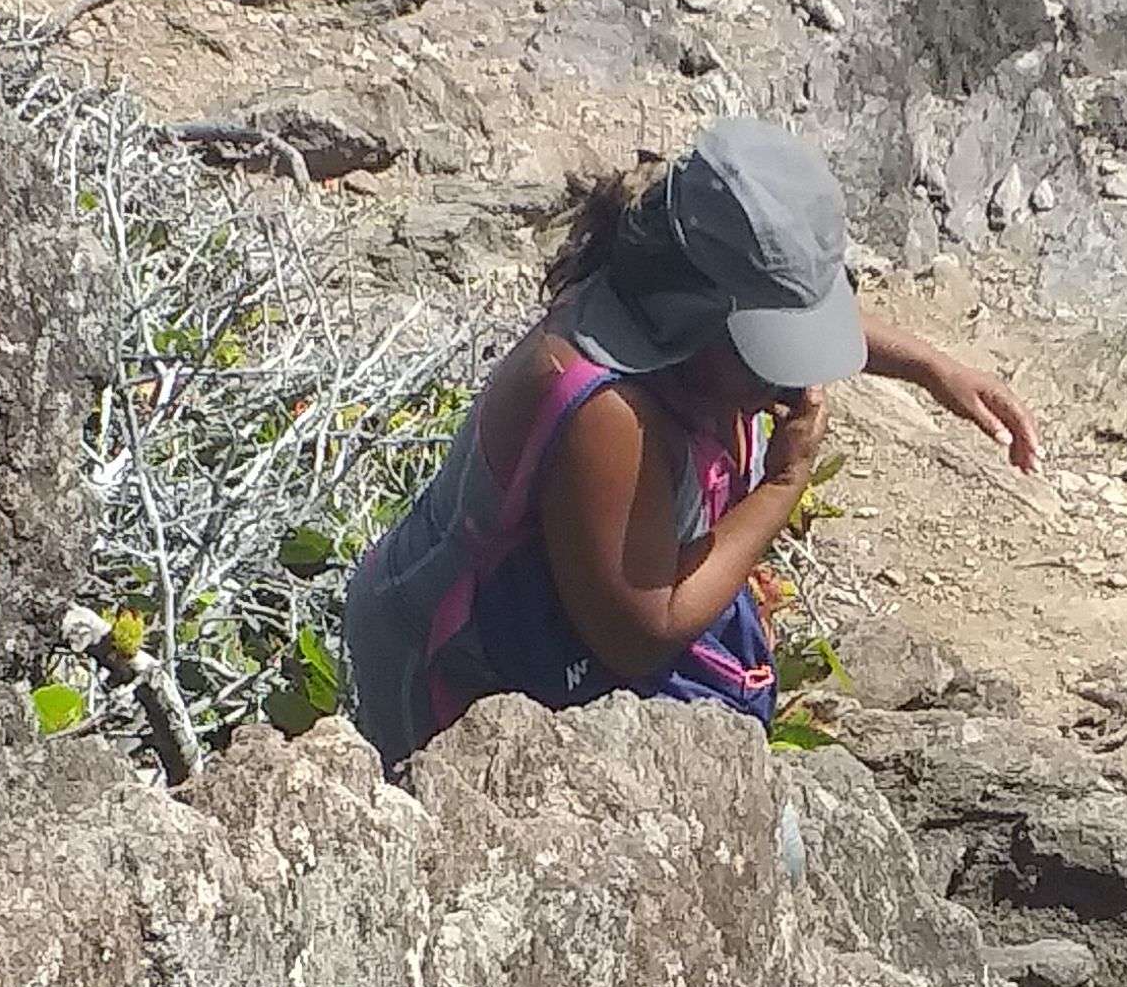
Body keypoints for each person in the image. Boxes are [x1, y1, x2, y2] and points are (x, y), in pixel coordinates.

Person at [343, 115, 1039, 771]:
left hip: (561, 629)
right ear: (691, 317)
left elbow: (786, 302)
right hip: (458, 668)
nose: (789, 383)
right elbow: (645, 630)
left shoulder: (689, 340)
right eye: (772, 356)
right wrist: (784, 481)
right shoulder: (608, 412)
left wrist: (931, 368)